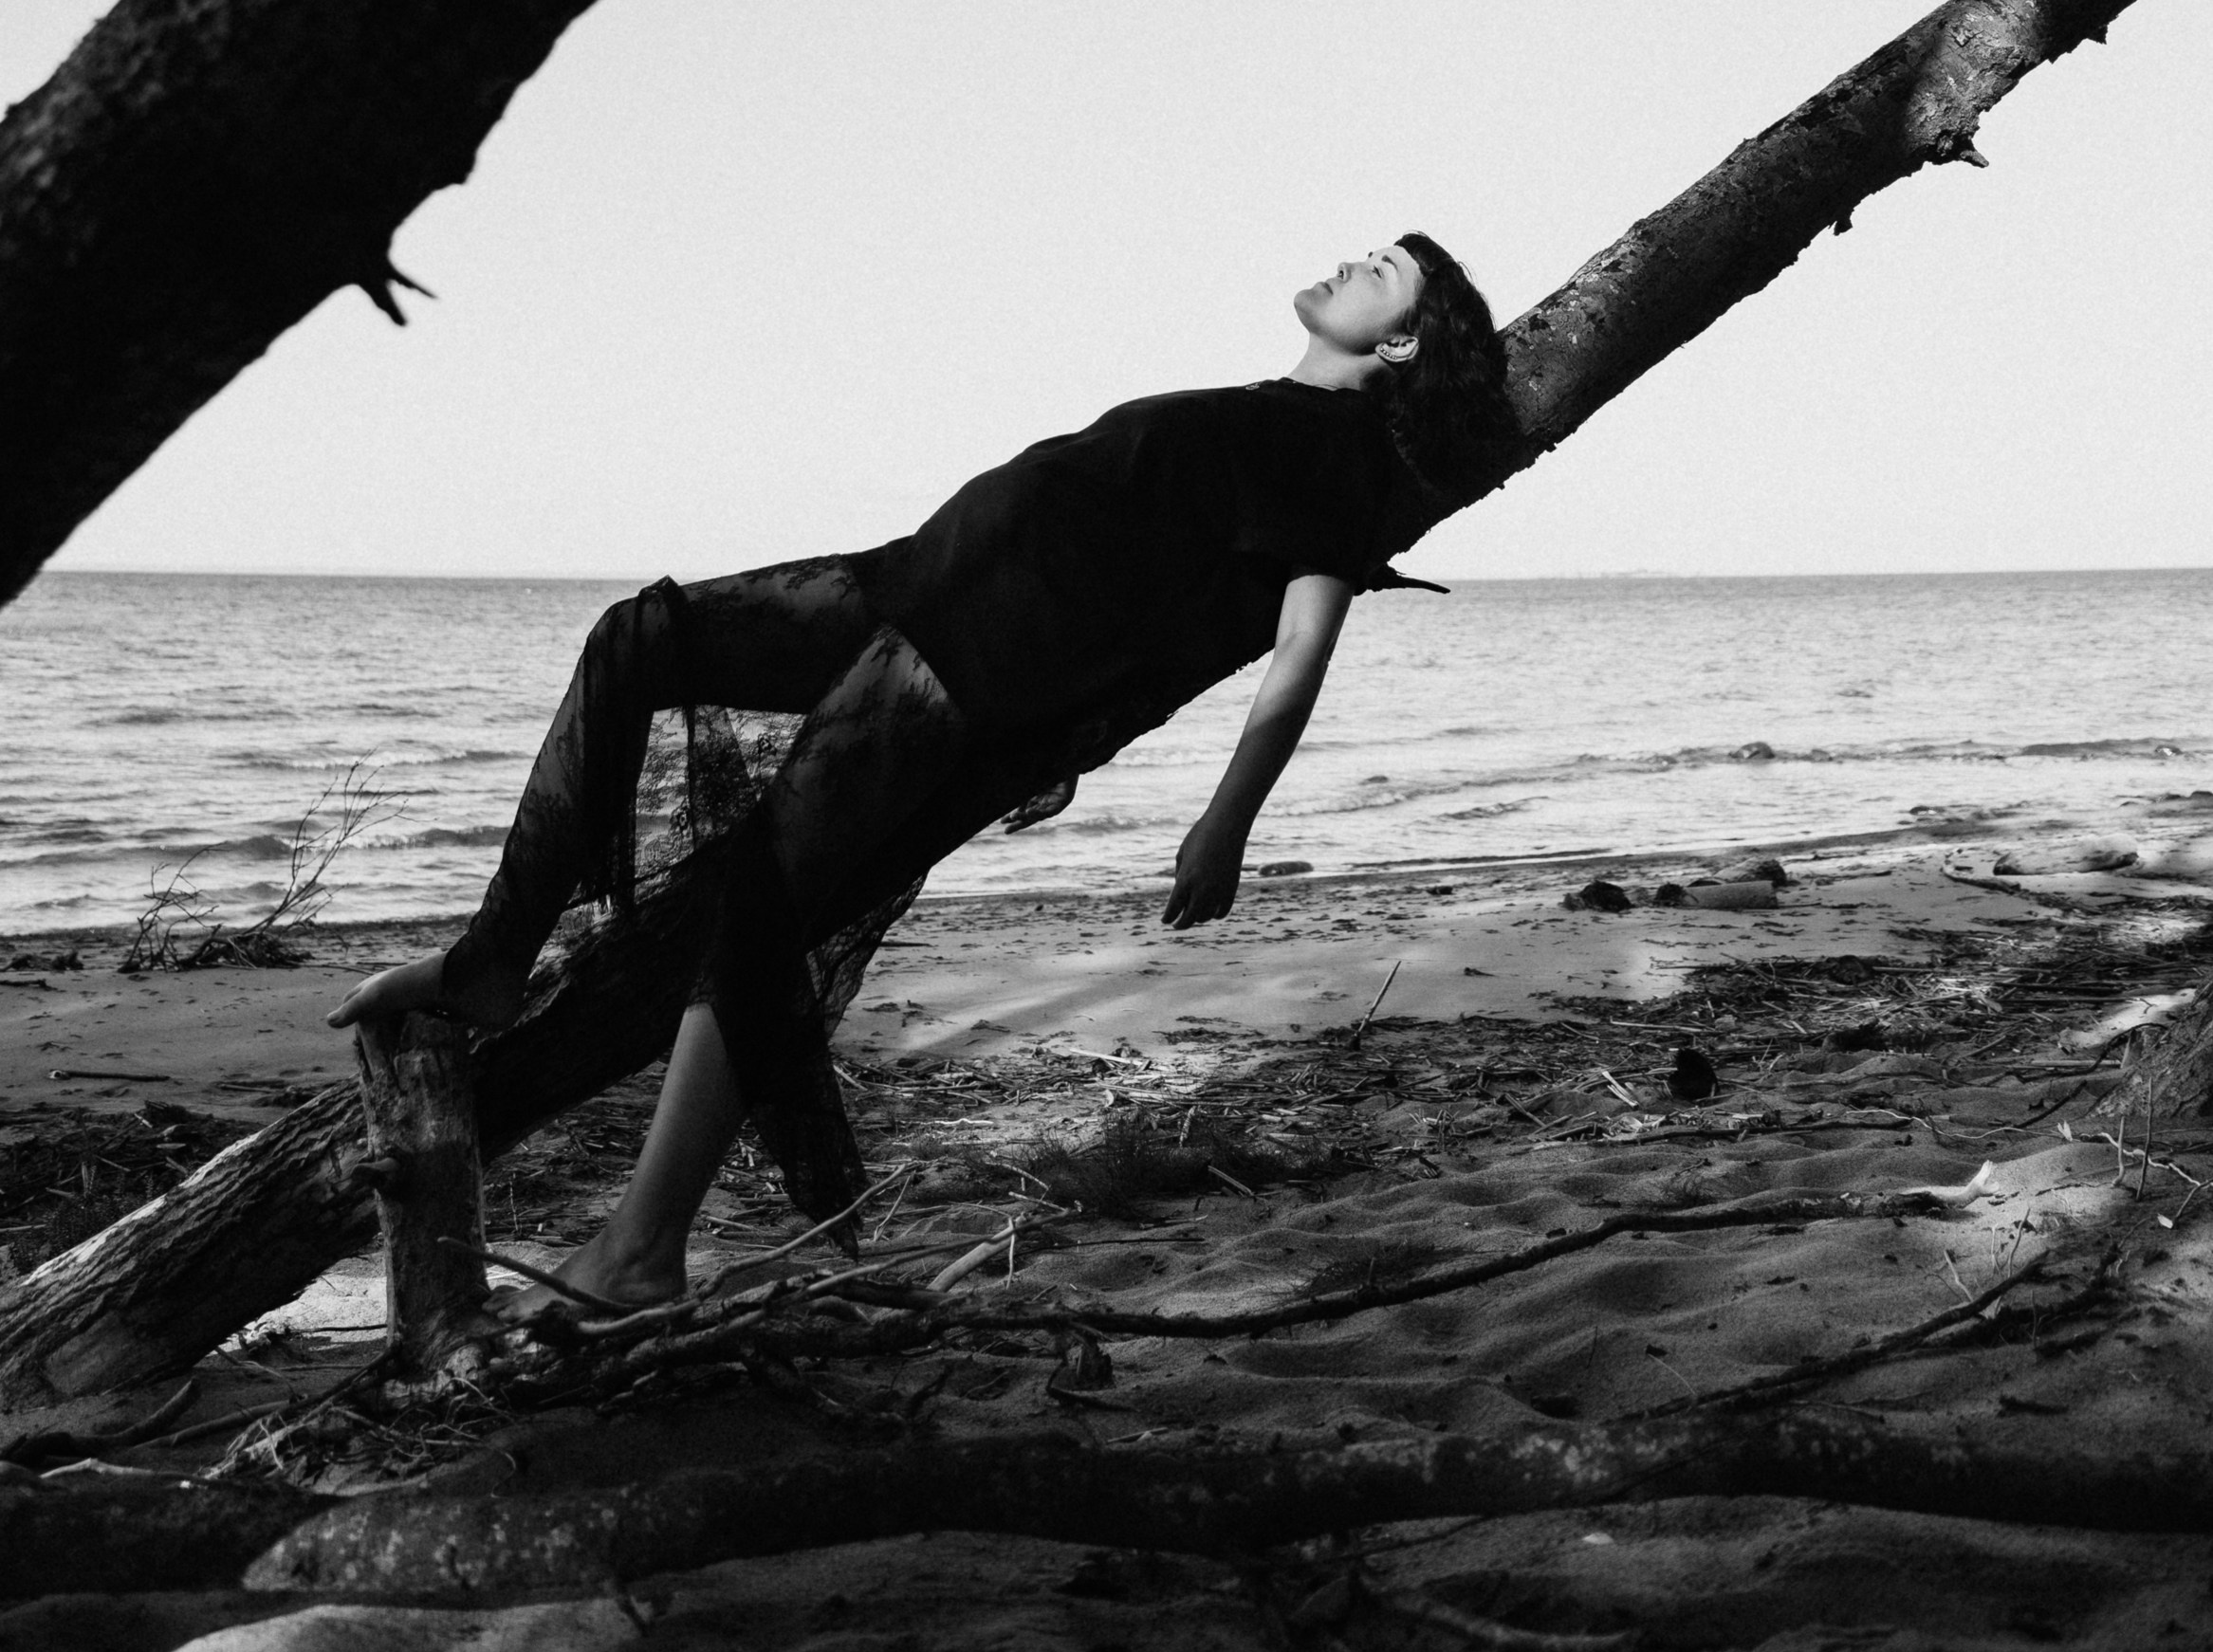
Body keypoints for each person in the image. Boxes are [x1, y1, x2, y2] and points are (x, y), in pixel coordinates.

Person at [332, 232, 1510, 1308]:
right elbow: (1170, 595)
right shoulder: (1271, 411)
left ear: (1399, 339)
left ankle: (641, 1248)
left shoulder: (1333, 454)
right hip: (911, 581)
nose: (1344, 262)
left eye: (1376, 272)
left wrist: (1224, 823)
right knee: (633, 638)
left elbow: (1294, 651)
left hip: (963, 652)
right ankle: (493, 956)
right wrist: (1074, 735)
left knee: (758, 905)